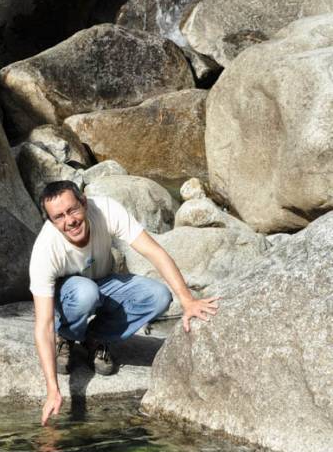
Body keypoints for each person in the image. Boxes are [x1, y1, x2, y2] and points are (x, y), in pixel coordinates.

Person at [30, 180, 219, 426]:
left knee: (159, 296)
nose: (69, 220)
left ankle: (96, 337)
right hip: (70, 296)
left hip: (105, 283)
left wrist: (187, 300)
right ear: (51, 221)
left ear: (84, 203)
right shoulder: (46, 248)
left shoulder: (106, 210)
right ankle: (65, 335)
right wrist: (52, 390)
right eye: (59, 217)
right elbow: (42, 324)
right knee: (85, 293)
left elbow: (154, 252)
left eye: (73, 210)